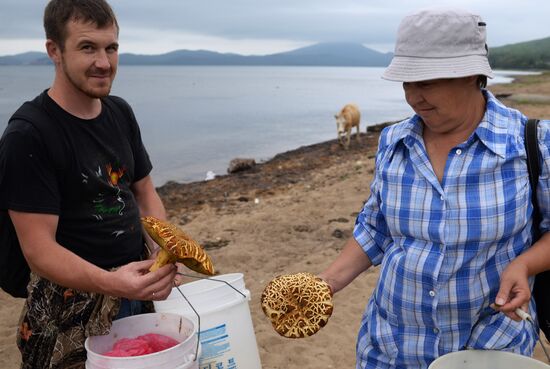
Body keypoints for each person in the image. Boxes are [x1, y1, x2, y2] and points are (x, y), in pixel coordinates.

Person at [318, 8, 550, 369]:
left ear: (472, 74)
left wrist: (524, 264)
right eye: (406, 83)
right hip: (391, 349)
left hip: (488, 348)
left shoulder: (531, 144)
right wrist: (325, 284)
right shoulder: (394, 141)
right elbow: (375, 229)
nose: (413, 97)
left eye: (425, 82)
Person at [0, 0, 177, 367]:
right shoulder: (29, 135)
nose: (103, 62)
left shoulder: (119, 112)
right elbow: (38, 251)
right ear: (54, 50)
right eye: (87, 47)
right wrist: (112, 283)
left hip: (135, 290)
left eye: (111, 47)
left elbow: (145, 193)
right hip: (66, 310)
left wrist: (163, 253)